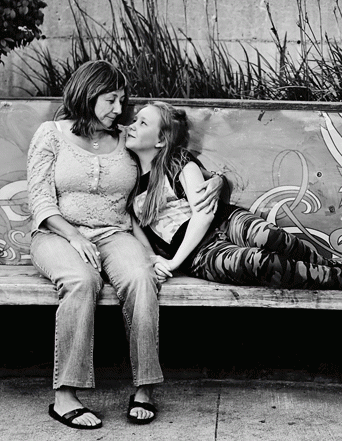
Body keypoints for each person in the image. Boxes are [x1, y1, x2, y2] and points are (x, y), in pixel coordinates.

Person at [26, 62, 222, 429]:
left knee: (141, 277)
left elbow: (170, 158)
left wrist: (218, 181)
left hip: (116, 233)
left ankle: (145, 387)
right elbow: (40, 201)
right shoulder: (50, 135)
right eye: (110, 100)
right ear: (87, 94)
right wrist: (73, 235)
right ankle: (65, 395)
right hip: (56, 234)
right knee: (81, 281)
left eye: (121, 100)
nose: (119, 110)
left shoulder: (124, 139)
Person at [125, 101, 342, 291]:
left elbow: (204, 213)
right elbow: (138, 229)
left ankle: (336, 263)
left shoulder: (177, 162)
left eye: (142, 123)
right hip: (200, 256)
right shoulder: (128, 181)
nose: (132, 126)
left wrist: (173, 263)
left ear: (161, 139)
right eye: (134, 121)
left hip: (222, 223)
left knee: (270, 238)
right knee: (259, 263)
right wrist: (155, 260)